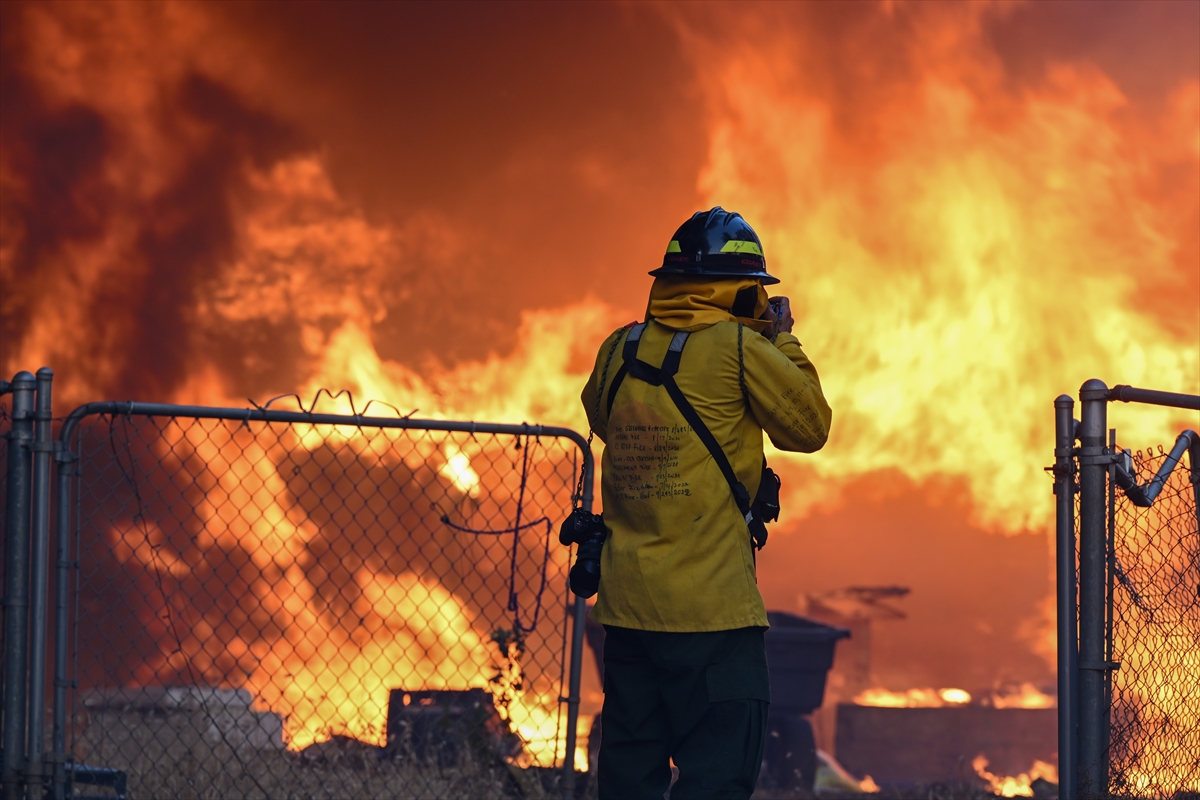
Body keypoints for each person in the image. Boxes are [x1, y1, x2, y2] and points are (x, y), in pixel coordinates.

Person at [579, 207, 832, 800]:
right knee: (717, 776)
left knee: (628, 779)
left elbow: (600, 417)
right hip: (713, 617)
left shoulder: (618, 348)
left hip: (627, 612)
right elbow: (810, 427)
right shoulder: (740, 346)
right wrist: (782, 338)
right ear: (742, 289)